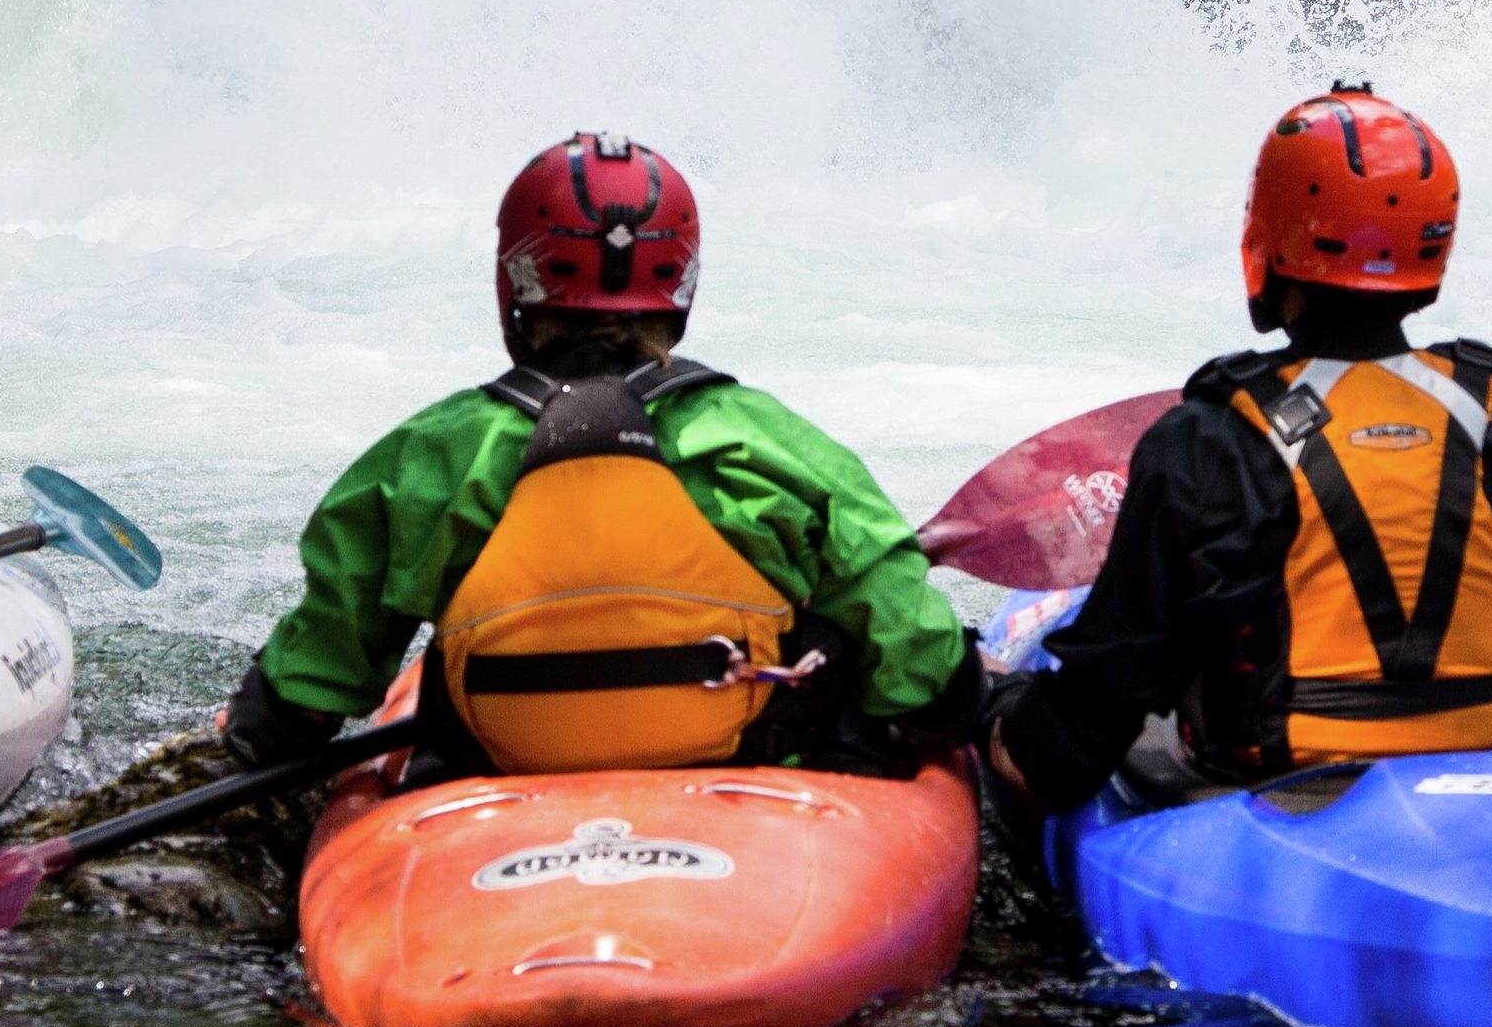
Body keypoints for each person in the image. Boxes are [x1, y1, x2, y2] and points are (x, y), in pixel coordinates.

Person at [982, 83, 1492, 815]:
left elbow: (1067, 751)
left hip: (1269, 799)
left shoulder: (1208, 443)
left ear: (1267, 239)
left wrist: (990, 698)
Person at [220, 132, 986, 783]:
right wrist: (966, 701)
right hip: (750, 766)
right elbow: (911, 652)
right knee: (837, 638)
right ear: (679, 285)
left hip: (501, 773)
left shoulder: (430, 455)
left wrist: (258, 730)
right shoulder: (767, 441)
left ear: (516, 281)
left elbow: (317, 678)